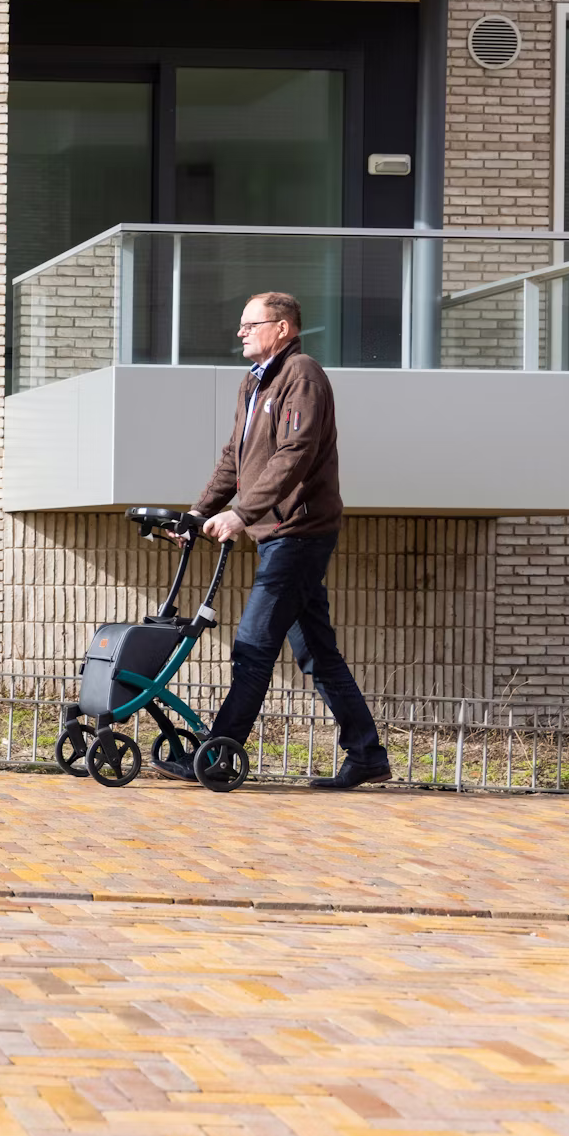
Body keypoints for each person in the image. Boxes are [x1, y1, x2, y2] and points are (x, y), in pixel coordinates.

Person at [181, 291, 391, 790]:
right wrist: (198, 512)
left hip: (298, 531)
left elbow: (295, 452)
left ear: (283, 328)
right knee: (318, 654)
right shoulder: (253, 384)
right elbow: (236, 456)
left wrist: (242, 513)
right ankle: (366, 755)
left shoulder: (303, 376)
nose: (241, 332)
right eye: (242, 325)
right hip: (277, 532)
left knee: (252, 647)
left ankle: (217, 756)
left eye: (251, 324)